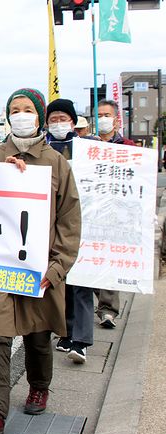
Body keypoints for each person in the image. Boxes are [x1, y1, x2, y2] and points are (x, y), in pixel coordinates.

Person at [0, 88, 81, 434]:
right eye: (14, 109)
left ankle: (39, 385)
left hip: (39, 268)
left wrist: (57, 268)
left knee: (38, 337)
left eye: (27, 109)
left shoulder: (56, 162)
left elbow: (69, 221)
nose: (20, 115)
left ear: (39, 115)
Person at [46, 98, 94, 364]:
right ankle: (66, 333)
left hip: (84, 222)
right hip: (53, 225)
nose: (58, 123)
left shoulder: (89, 149)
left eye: (63, 118)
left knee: (82, 284)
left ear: (74, 121)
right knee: (61, 281)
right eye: (53, 119)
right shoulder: (44, 148)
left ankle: (82, 340)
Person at [94, 99, 135, 329]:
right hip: (91, 211)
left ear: (116, 120)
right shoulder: (88, 145)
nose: (103, 119)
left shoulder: (127, 146)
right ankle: (100, 304)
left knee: (109, 260)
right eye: (99, 114)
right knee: (91, 260)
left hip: (116, 213)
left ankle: (108, 310)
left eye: (106, 115)